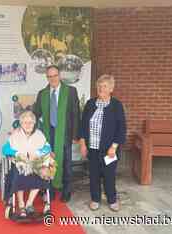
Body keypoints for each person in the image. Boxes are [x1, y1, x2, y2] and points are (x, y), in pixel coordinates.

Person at [79, 74, 126, 212]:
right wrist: (82, 143)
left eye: (104, 86)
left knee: (109, 175)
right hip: (92, 148)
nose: (101, 88)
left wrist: (114, 146)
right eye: (99, 86)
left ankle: (112, 199)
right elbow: (82, 125)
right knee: (93, 175)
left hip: (109, 149)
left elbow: (121, 128)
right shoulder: (90, 103)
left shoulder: (116, 105)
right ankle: (95, 199)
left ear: (111, 88)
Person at [33, 65, 81, 202]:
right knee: (49, 162)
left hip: (65, 132)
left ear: (59, 75)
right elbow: (36, 114)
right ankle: (51, 190)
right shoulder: (42, 94)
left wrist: (75, 135)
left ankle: (66, 191)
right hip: (49, 132)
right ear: (46, 77)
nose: (52, 78)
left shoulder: (70, 91)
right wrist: (26, 127)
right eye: (49, 76)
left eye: (55, 75)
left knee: (66, 163)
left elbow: (75, 113)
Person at [2, 111, 56, 217]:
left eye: (30, 122)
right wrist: (17, 153)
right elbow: (5, 149)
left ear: (34, 123)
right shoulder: (15, 134)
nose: (28, 125)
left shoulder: (39, 134)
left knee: (42, 174)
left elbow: (47, 147)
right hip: (19, 164)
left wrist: (37, 153)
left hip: (35, 163)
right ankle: (21, 205)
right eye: (25, 122)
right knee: (19, 174)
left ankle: (29, 204)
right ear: (21, 123)